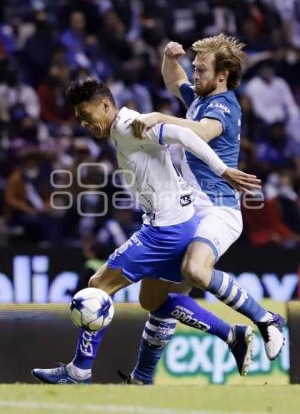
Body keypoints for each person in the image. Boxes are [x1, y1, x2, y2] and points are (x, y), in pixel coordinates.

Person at [32, 78, 260, 384]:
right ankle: (233, 335)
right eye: (79, 119)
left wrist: (224, 171)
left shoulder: (129, 125)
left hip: (165, 231)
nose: (84, 123)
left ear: (105, 105)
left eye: (87, 115)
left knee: (97, 286)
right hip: (179, 223)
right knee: (153, 302)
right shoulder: (120, 130)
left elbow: (182, 134)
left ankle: (78, 371)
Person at [120, 34, 284, 385]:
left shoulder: (224, 106)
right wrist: (168, 56)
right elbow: (173, 78)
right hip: (186, 211)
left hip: (218, 210)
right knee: (156, 298)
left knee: (194, 269)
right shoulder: (198, 97)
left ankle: (267, 319)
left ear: (222, 74)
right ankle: (143, 378)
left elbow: (202, 133)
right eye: (193, 68)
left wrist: (157, 116)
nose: (193, 74)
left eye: (201, 69)